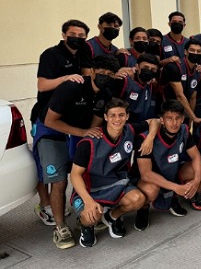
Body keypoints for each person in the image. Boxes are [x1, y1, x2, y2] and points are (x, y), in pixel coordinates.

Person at [36, 55, 118, 249]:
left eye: (109, 74)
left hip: (77, 132)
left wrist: (86, 137)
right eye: (101, 73)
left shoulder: (106, 94)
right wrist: (82, 133)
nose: (105, 77)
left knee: (84, 173)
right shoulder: (73, 87)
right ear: (92, 71)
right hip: (51, 131)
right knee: (59, 181)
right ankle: (60, 227)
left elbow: (93, 128)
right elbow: (50, 120)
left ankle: (85, 214)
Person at [70, 99, 154, 247]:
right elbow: (75, 175)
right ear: (106, 117)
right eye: (112, 115)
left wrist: (150, 138)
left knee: (138, 199)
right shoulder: (90, 142)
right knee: (92, 216)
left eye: (121, 115)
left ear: (127, 116)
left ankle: (112, 216)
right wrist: (88, 201)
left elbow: (155, 121)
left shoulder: (129, 130)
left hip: (117, 183)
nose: (117, 119)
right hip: (91, 189)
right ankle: (86, 226)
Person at [32, 19, 90, 226]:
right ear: (64, 35)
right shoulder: (51, 55)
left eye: (81, 36)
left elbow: (87, 77)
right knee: (47, 168)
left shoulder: (84, 52)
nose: (77, 38)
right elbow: (42, 85)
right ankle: (45, 205)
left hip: (71, 119)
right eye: (73, 34)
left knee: (68, 168)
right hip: (46, 119)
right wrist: (65, 78)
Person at [132, 100, 201, 228]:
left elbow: (195, 156)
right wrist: (176, 187)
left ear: (182, 119)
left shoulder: (184, 131)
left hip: (171, 171)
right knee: (151, 191)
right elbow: (146, 174)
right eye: (169, 118)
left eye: (177, 118)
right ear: (162, 120)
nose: (174, 123)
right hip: (151, 178)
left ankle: (173, 198)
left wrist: (196, 180)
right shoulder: (145, 139)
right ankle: (143, 209)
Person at [160, 39, 201, 126]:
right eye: (192, 50)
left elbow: (193, 98)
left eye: (198, 51)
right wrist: (194, 117)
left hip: (184, 111)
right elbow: (179, 96)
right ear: (185, 52)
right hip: (167, 110)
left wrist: (190, 120)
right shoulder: (174, 67)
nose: (195, 53)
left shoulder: (198, 71)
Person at [114, 53, 160, 123]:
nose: (149, 71)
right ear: (137, 67)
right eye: (146, 67)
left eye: (153, 69)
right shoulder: (123, 80)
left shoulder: (150, 83)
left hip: (142, 123)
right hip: (123, 124)